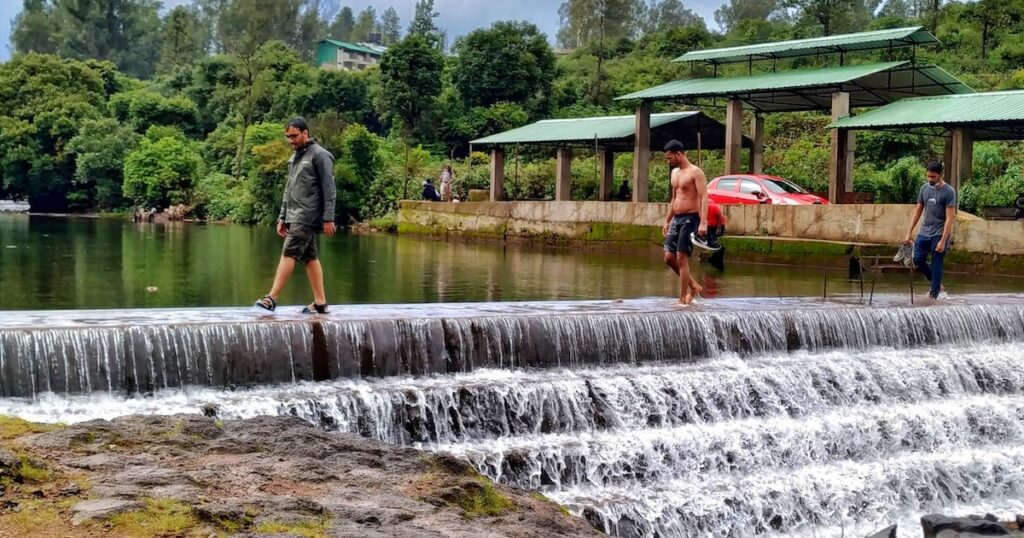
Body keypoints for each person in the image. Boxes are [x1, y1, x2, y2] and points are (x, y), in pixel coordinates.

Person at [255, 117, 337, 314]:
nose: (291, 140)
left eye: (294, 136)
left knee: (289, 252)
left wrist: (328, 218)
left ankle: (271, 298)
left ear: (305, 133)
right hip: (294, 215)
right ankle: (320, 302)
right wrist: (282, 216)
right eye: (288, 137)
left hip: (307, 215)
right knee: (310, 257)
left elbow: (330, 189)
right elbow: (288, 189)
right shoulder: (295, 158)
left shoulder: (320, 155)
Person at [662, 140, 709, 305]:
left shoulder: (696, 172)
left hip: (691, 218)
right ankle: (694, 286)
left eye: (670, 158)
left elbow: (704, 198)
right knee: (669, 257)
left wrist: (704, 222)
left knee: (681, 257)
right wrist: (667, 220)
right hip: (677, 218)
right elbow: (674, 198)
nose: (669, 161)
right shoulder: (674, 173)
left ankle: (682, 298)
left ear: (678, 153)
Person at [903, 161, 955, 300]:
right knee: (918, 259)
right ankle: (938, 285)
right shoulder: (924, 189)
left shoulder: (949, 191)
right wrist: (909, 232)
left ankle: (934, 293)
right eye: (928, 176)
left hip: (939, 233)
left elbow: (950, 217)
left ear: (940, 175)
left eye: (933, 177)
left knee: (937, 261)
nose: (930, 179)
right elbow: (918, 210)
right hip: (924, 231)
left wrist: (943, 240)